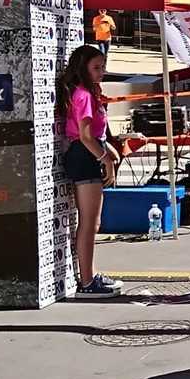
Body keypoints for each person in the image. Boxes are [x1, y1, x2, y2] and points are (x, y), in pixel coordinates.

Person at [57, 45, 120, 297]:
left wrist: (108, 153)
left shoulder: (88, 93)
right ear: (83, 68)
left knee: (92, 221)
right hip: (85, 156)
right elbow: (85, 135)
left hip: (88, 153)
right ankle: (86, 281)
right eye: (96, 68)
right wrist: (105, 157)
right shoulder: (83, 95)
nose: (101, 72)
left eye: (103, 67)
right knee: (89, 223)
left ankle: (90, 275)